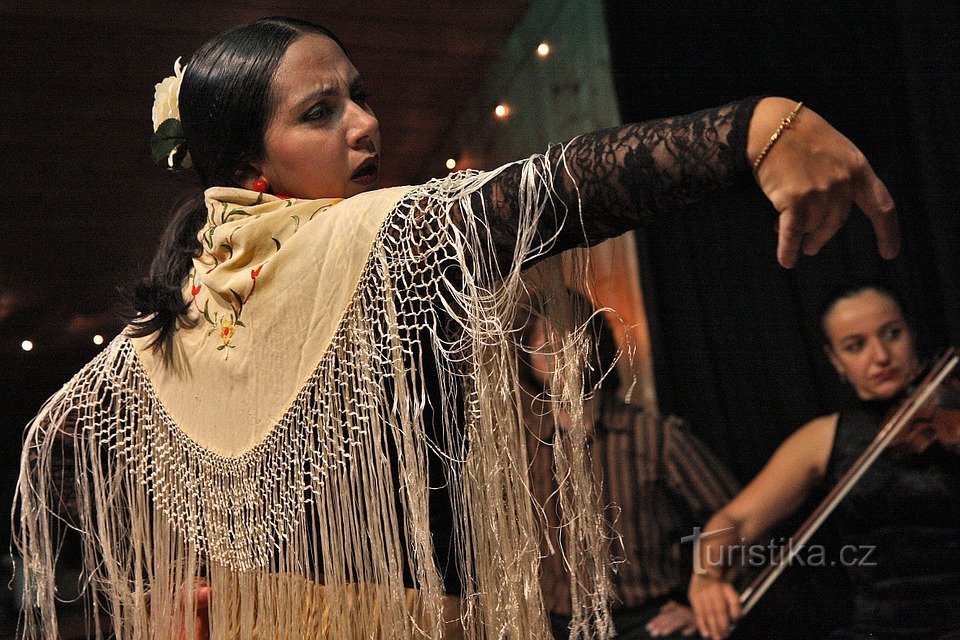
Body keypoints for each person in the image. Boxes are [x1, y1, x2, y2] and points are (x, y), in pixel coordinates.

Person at [14, 15, 899, 640]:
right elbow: (550, 192)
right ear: (248, 158)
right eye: (321, 112)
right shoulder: (363, 241)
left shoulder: (172, 324)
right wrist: (750, 133)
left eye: (358, 96)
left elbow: (53, 445)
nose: (367, 125)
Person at [687, 284, 960, 640]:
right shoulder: (822, 438)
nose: (880, 356)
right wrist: (704, 577)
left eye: (892, 334)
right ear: (835, 360)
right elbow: (735, 521)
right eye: (855, 346)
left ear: (913, 333)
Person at [520, 301, 739, 639]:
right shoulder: (527, 450)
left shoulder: (653, 434)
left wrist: (703, 602)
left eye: (569, 341)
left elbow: (738, 518)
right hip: (557, 625)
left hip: (647, 620)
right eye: (545, 348)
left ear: (592, 345)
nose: (558, 356)